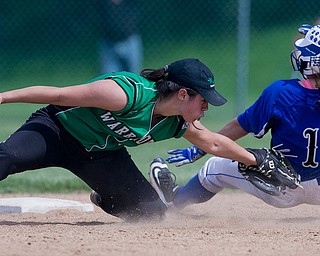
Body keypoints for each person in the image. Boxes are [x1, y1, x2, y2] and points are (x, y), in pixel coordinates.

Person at [0, 58, 261, 221]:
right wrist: (2, 97)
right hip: (57, 131)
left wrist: (255, 160)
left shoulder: (177, 121)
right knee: (7, 157)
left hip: (99, 156)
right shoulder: (127, 94)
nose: (206, 107)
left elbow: (214, 143)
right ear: (183, 94)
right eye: (203, 100)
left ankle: (104, 195)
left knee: (150, 214)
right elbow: (58, 95)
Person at [149, 24, 320, 210]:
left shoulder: (281, 92)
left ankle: (175, 202)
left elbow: (240, 126)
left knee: (214, 169)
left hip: (282, 186)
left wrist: (199, 150)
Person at [97, 0, 143, 74]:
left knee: (133, 77)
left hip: (130, 41)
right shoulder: (104, 3)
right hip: (109, 44)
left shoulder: (131, 2)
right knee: (109, 78)